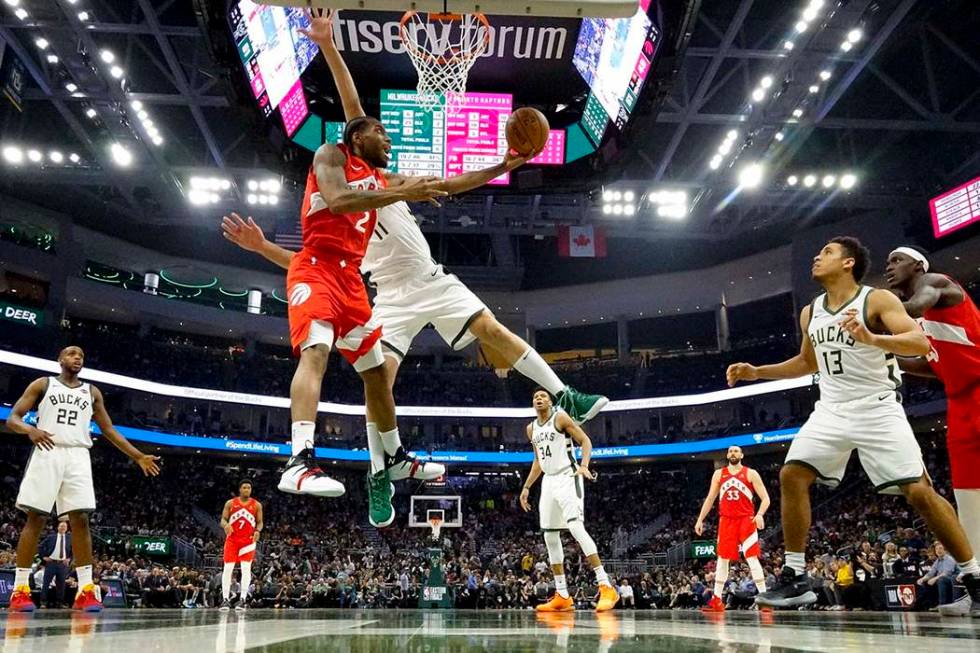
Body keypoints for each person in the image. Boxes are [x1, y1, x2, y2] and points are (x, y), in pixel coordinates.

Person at [222, 12, 606, 424]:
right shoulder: (341, 198)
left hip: (430, 278)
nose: (383, 137)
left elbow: (449, 181)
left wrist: (502, 165)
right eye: (376, 134)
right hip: (388, 296)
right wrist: (262, 246)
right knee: (380, 380)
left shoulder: (380, 176)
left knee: (492, 330)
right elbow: (306, 264)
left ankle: (565, 396)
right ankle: (381, 473)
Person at [725, 237, 980, 609]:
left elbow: (918, 343)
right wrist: (755, 371)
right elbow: (806, 363)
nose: (817, 256)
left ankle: (973, 574)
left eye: (827, 252)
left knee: (919, 493)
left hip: (877, 408)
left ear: (848, 263)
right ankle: (796, 577)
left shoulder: (877, 299)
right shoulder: (810, 312)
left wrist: (872, 337)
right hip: (831, 408)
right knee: (791, 474)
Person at [5, 346, 161, 613]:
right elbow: (12, 419)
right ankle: (20, 590)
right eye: (72, 354)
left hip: (78, 454)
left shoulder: (91, 391)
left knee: (81, 519)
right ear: (60, 359)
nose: (77, 358)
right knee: (37, 518)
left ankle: (86, 591)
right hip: (48, 450)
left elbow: (109, 429)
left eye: (81, 356)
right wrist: (29, 430)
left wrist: (137, 456)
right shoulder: (43, 384)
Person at [885, 246, 980, 615]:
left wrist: (874, 321)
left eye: (897, 260)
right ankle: (976, 588)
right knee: (969, 499)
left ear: (917, 264)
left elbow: (916, 305)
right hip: (959, 402)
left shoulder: (935, 282)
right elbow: (930, 363)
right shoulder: (919, 325)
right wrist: (883, 351)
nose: (890, 267)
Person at [519, 389, 618, 613]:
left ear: (550, 401)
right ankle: (562, 595)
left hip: (568, 475)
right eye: (535, 396)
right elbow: (537, 461)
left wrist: (584, 465)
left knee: (575, 526)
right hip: (548, 481)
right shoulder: (531, 428)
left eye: (543, 395)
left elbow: (585, 441)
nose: (539, 398)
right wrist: (526, 487)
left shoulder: (560, 417)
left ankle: (606, 586)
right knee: (550, 535)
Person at [694, 445, 771, 612]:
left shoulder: (751, 473)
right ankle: (717, 601)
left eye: (736, 451)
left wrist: (760, 514)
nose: (732, 453)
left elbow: (766, 498)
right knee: (722, 560)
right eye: (730, 451)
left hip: (746, 520)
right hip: (726, 521)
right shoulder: (719, 474)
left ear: (742, 455)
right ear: (727, 455)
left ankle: (765, 600)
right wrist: (700, 519)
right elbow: (709, 499)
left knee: (752, 558)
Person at [218, 480, 263, 612]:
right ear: (240, 489)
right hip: (232, 540)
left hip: (248, 542)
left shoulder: (257, 505)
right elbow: (222, 520)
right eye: (244, 487)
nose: (247, 490)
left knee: (245, 569)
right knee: (227, 569)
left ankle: (242, 599)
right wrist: (226, 525)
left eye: (249, 488)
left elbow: (260, 522)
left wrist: (257, 531)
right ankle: (225, 599)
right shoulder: (230, 503)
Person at [39, 521, 72, 608]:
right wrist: (44, 557)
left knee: (61, 585)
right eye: (61, 526)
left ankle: (59, 603)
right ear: (58, 527)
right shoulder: (51, 537)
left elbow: (73, 550)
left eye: (64, 527)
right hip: (51, 563)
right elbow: (40, 546)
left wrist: (69, 558)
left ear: (67, 528)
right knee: (46, 583)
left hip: (62, 564)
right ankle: (43, 602)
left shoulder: (69, 538)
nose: (63, 528)